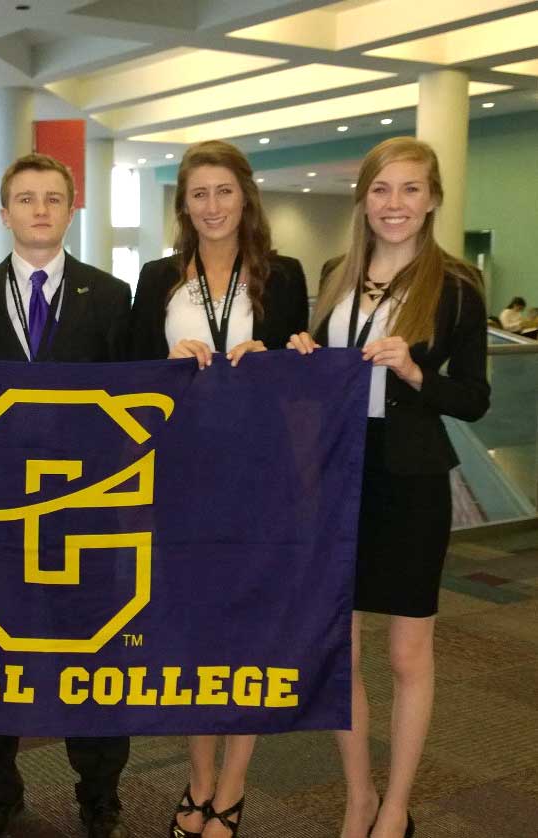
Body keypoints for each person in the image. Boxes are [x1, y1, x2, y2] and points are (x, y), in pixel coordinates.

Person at [288, 137, 489, 838]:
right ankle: (357, 796)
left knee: (406, 655)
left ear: (431, 198)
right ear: (362, 199)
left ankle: (396, 804)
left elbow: (471, 400)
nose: (393, 204)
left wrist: (412, 372)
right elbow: (317, 390)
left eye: (408, 189)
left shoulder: (456, 286)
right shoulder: (335, 273)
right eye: (381, 189)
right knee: (338, 650)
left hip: (409, 482)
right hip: (336, 476)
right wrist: (303, 358)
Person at [0, 153, 131, 838]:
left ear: (71, 207)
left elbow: (136, 404)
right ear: (4, 212)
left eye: (52, 197)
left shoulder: (112, 297)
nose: (39, 210)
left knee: (94, 655)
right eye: (24, 198)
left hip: (88, 514)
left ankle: (99, 792)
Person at [130, 140, 308, 838]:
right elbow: (122, 381)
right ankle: (198, 779)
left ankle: (231, 788)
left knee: (245, 634)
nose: (211, 206)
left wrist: (275, 362)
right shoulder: (155, 278)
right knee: (188, 634)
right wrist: (160, 361)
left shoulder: (283, 275)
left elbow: (306, 376)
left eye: (223, 192)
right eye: (197, 193)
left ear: (245, 197)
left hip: (257, 476)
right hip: (176, 476)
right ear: (183, 204)